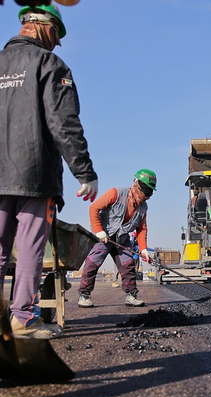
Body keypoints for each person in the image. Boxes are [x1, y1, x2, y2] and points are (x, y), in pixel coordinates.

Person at [0, 3, 98, 339]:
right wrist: (84, 172)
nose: (56, 44)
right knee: (29, 249)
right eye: (56, 36)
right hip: (33, 174)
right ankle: (22, 319)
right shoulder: (49, 64)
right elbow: (64, 123)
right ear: (44, 25)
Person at [77, 169, 156, 308]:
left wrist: (143, 249)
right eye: (144, 191)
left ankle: (131, 296)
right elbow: (94, 208)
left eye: (148, 192)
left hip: (122, 239)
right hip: (104, 236)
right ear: (135, 184)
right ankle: (84, 295)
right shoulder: (116, 193)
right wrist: (99, 231)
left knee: (128, 266)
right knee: (92, 264)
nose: (145, 195)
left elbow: (142, 229)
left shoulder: (143, 207)